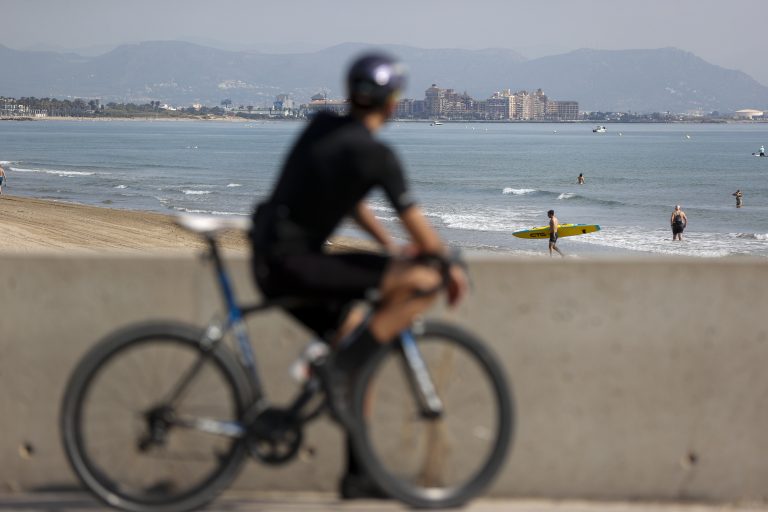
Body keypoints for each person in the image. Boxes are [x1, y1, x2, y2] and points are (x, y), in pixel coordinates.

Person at [249, 52, 468, 499]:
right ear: (393, 103)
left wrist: (388, 247)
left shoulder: (323, 126)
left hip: (272, 259)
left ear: (350, 94)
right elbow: (419, 230)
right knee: (424, 281)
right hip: (295, 265)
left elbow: (350, 201)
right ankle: (340, 368)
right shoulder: (376, 155)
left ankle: (359, 473)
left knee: (356, 340)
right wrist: (447, 262)